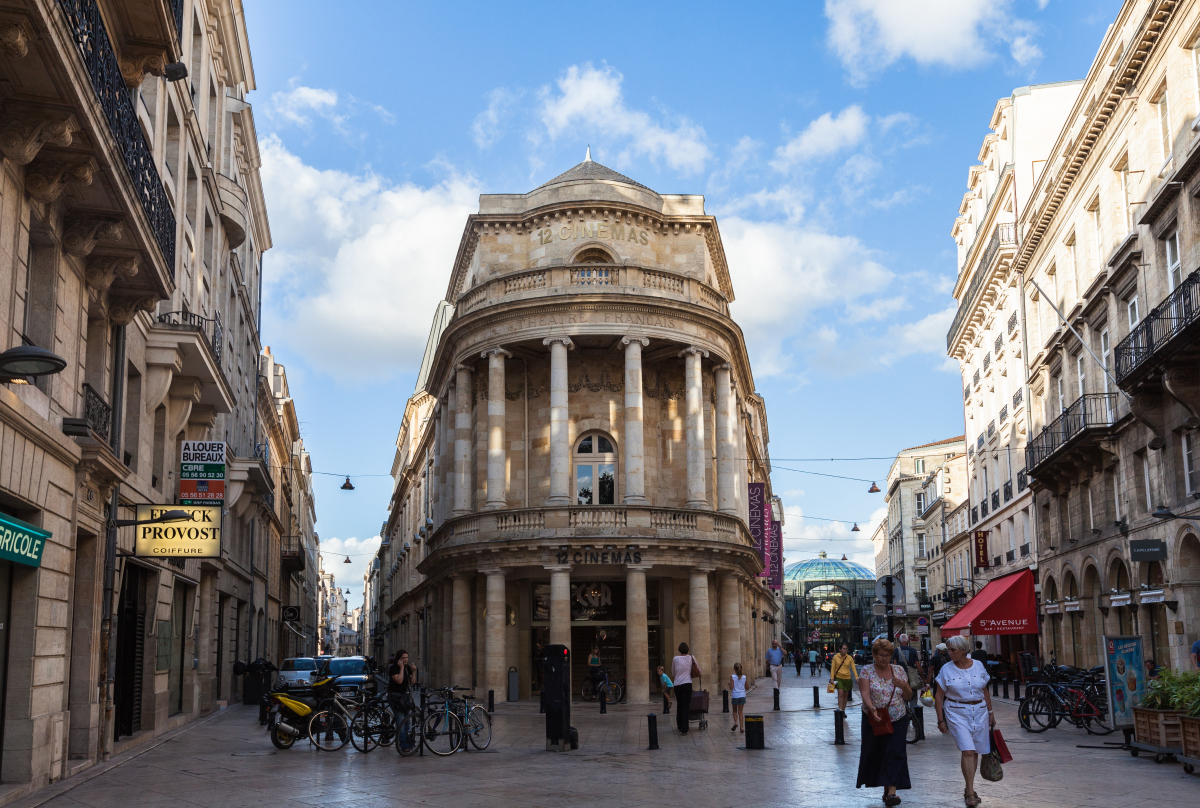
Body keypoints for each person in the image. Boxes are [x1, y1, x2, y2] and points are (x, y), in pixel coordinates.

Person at [935, 634, 996, 807]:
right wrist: (941, 720)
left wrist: (991, 713)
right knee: (968, 750)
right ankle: (970, 792)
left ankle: (970, 786)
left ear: (963, 650)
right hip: (956, 712)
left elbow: (985, 692)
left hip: (980, 711)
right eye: (948, 650)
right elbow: (939, 697)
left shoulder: (978, 666)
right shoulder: (946, 669)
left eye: (952, 650)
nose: (949, 653)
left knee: (975, 750)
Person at [856, 638, 913, 807]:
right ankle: (886, 788)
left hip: (898, 717)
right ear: (874, 655)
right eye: (881, 655)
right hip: (874, 719)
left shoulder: (899, 671)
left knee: (895, 752)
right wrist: (871, 708)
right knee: (878, 753)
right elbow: (865, 693)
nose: (884, 658)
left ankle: (892, 792)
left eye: (887, 655)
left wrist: (903, 685)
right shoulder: (866, 671)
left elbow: (908, 696)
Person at [671, 642, 699, 735]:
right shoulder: (691, 658)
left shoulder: (675, 659)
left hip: (678, 684)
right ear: (687, 650)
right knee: (686, 706)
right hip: (687, 683)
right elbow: (698, 669)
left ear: (679, 649)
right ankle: (685, 729)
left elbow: (673, 673)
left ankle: (679, 725)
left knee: (679, 704)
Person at [386, 649, 415, 717]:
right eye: (403, 658)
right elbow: (399, 681)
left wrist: (413, 672)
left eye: (406, 658)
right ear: (398, 659)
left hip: (404, 696)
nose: (405, 660)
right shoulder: (393, 668)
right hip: (395, 697)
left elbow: (412, 682)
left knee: (408, 720)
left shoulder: (407, 668)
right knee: (401, 719)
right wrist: (401, 668)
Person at [831, 642, 857, 713]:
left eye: (846, 649)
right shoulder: (836, 657)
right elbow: (833, 668)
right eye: (843, 649)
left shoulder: (849, 658)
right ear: (840, 649)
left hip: (847, 678)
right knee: (841, 693)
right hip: (839, 678)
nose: (845, 650)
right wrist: (832, 678)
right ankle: (840, 710)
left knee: (846, 695)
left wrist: (856, 677)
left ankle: (843, 710)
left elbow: (853, 668)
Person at [730, 662, 747, 733]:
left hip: (735, 695)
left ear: (734, 669)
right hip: (742, 695)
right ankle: (742, 727)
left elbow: (731, 687)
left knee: (734, 711)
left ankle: (736, 722)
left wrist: (729, 684)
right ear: (742, 669)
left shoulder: (732, 677)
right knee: (740, 712)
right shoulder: (744, 677)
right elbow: (747, 687)